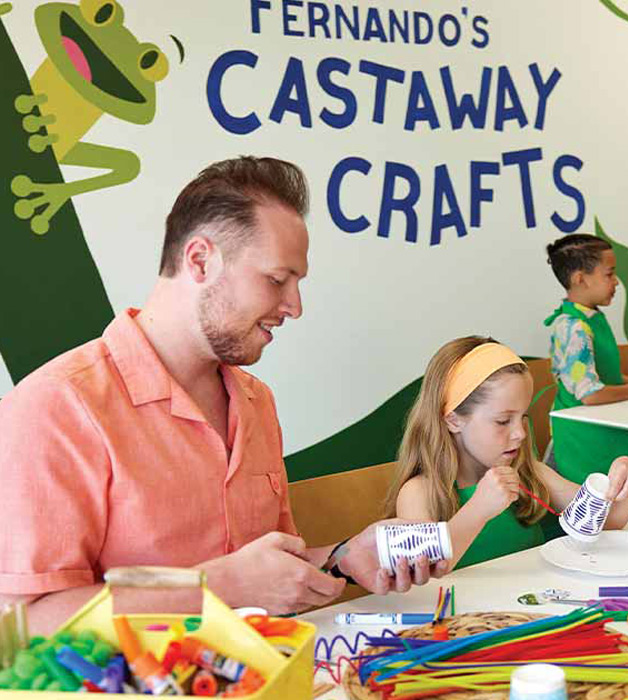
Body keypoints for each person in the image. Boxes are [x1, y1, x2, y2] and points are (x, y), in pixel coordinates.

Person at [0, 157, 441, 635]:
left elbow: (264, 572)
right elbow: (25, 625)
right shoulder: (55, 407)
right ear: (200, 260)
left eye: (297, 284)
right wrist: (218, 586)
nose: (294, 307)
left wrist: (343, 558)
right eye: (277, 280)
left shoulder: (257, 402)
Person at [385, 336, 628, 568]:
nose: (520, 433)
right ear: (453, 420)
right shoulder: (420, 493)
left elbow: (608, 521)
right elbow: (421, 573)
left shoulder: (529, 474)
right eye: (502, 421)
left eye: (523, 417)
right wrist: (479, 508)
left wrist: (623, 483)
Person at [543, 234, 628, 500]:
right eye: (610, 274)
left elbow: (604, 377)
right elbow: (591, 394)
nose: (616, 281)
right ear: (581, 278)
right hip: (585, 440)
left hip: (603, 429)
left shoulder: (592, 319)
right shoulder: (573, 327)